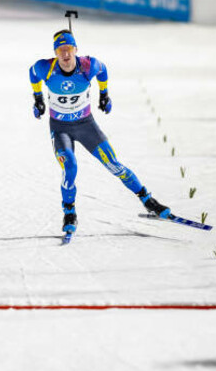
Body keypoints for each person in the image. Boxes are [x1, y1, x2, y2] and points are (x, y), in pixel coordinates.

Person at [29, 29, 171, 234]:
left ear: (76, 49)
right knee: (70, 167)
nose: (65, 54)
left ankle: (147, 199)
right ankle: (69, 212)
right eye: (61, 50)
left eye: (69, 49)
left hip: (86, 125)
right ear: (55, 53)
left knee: (114, 164)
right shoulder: (46, 68)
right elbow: (32, 73)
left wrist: (104, 94)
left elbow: (103, 70)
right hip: (60, 129)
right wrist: (38, 98)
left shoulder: (88, 66)